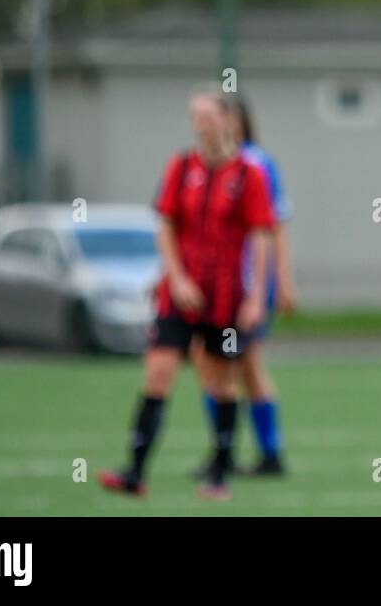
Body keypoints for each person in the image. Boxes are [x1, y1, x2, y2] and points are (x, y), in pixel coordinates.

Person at [98, 90, 275, 501]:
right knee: (158, 373)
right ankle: (135, 472)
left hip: (226, 298)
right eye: (194, 116)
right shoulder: (180, 167)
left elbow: (262, 235)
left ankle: (218, 473)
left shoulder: (249, 176)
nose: (199, 124)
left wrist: (254, 298)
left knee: (221, 383)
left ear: (228, 120)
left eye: (208, 116)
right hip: (178, 297)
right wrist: (175, 279)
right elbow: (165, 226)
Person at [192, 94, 295, 477]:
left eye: (222, 115)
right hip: (212, 286)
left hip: (246, 286)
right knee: (217, 361)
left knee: (240, 363)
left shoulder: (255, 163)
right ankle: (239, 452)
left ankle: (250, 453)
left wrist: (282, 281)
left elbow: (275, 225)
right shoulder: (204, 166)